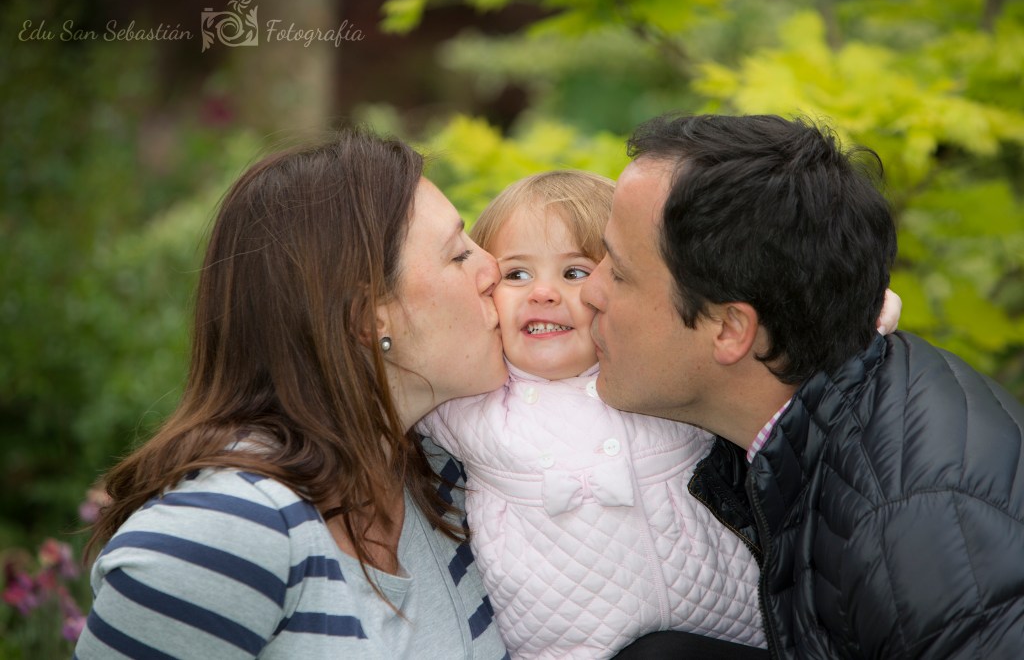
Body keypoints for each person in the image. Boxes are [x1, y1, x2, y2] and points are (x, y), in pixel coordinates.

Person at [582, 113, 1024, 658]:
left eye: (619, 273)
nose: (589, 291)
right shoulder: (820, 396)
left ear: (730, 330)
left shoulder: (921, 537)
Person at [74, 129, 511, 659]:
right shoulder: (224, 533)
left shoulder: (448, 478)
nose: (495, 270)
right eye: (458, 255)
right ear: (366, 319)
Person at [424, 169, 894, 659]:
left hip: (737, 636)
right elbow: (393, 389)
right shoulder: (473, 400)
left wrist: (862, 310)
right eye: (516, 274)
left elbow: (785, 345)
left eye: (575, 272)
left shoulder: (649, 378)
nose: (542, 293)